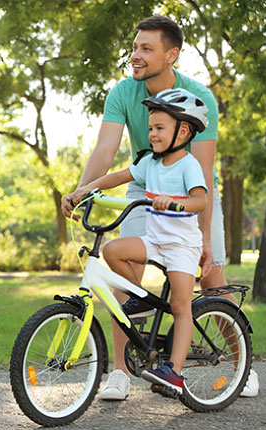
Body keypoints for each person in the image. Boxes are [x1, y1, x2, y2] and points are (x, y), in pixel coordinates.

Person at [61, 15, 259, 399]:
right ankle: (119, 371)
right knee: (122, 271)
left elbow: (201, 171)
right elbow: (105, 151)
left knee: (211, 274)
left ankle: (242, 364)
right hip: (145, 187)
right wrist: (82, 190)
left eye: (146, 49)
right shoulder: (122, 92)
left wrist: (202, 239)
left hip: (191, 190)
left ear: (172, 55)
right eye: (135, 47)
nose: (136, 55)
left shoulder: (198, 97)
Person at [73, 88, 208, 395]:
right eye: (150, 129)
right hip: (156, 240)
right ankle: (141, 302)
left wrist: (176, 204)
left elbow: (200, 201)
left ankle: (173, 371)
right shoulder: (150, 162)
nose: (152, 135)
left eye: (159, 129)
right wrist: (85, 190)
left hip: (182, 246)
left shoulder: (187, 165)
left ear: (183, 131)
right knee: (112, 250)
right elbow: (117, 177)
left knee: (180, 305)